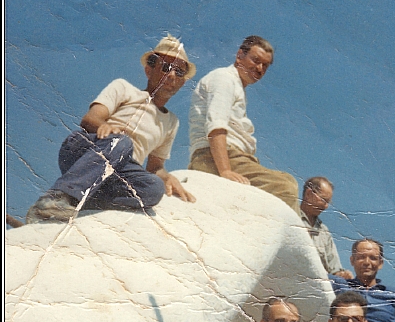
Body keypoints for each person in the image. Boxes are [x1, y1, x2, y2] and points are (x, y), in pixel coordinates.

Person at [26, 36, 197, 223]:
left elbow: (155, 167)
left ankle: (83, 202)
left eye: (179, 72)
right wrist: (105, 126)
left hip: (121, 172)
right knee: (121, 142)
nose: (172, 76)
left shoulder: (171, 121)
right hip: (88, 150)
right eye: (166, 67)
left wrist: (167, 176)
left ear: (183, 82)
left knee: (154, 189)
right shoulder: (124, 88)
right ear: (149, 70)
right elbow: (90, 118)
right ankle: (57, 198)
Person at [188, 35, 299, 213]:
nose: (260, 68)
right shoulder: (224, 79)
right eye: (255, 60)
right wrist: (225, 171)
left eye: (265, 65)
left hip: (233, 157)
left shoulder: (236, 85)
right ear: (240, 55)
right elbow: (216, 126)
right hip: (215, 157)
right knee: (286, 187)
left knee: (287, 181)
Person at [299, 176, 352, 278]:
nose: (326, 206)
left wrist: (343, 275)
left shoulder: (324, 231)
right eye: (324, 200)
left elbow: (334, 268)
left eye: (328, 202)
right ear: (309, 194)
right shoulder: (291, 218)